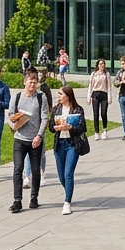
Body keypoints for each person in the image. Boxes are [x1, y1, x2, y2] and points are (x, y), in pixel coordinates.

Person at [8, 69, 49, 213]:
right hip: (20, 138)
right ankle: (17, 200)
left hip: (35, 139)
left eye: (35, 82)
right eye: (30, 82)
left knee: (35, 170)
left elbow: (45, 117)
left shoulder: (41, 97)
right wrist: (14, 120)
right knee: (18, 169)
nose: (33, 85)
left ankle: (34, 198)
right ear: (24, 82)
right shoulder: (17, 97)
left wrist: (39, 135)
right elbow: (10, 115)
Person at [51, 85, 87, 215]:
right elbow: (50, 127)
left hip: (72, 144)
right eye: (58, 94)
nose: (59, 96)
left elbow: (83, 128)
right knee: (61, 177)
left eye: (61, 94)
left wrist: (70, 127)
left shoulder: (78, 109)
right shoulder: (56, 109)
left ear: (68, 95)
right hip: (59, 144)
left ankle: (67, 202)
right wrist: (56, 127)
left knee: (68, 174)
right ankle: (69, 192)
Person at [87, 59, 111, 140]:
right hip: (95, 94)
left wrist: (109, 97)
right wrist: (89, 97)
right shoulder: (94, 74)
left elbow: (109, 86)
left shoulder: (106, 74)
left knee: (103, 113)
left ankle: (105, 130)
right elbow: (90, 86)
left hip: (104, 94)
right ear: (97, 65)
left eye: (103, 63)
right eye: (100, 64)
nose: (102, 65)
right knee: (95, 114)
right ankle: (96, 132)